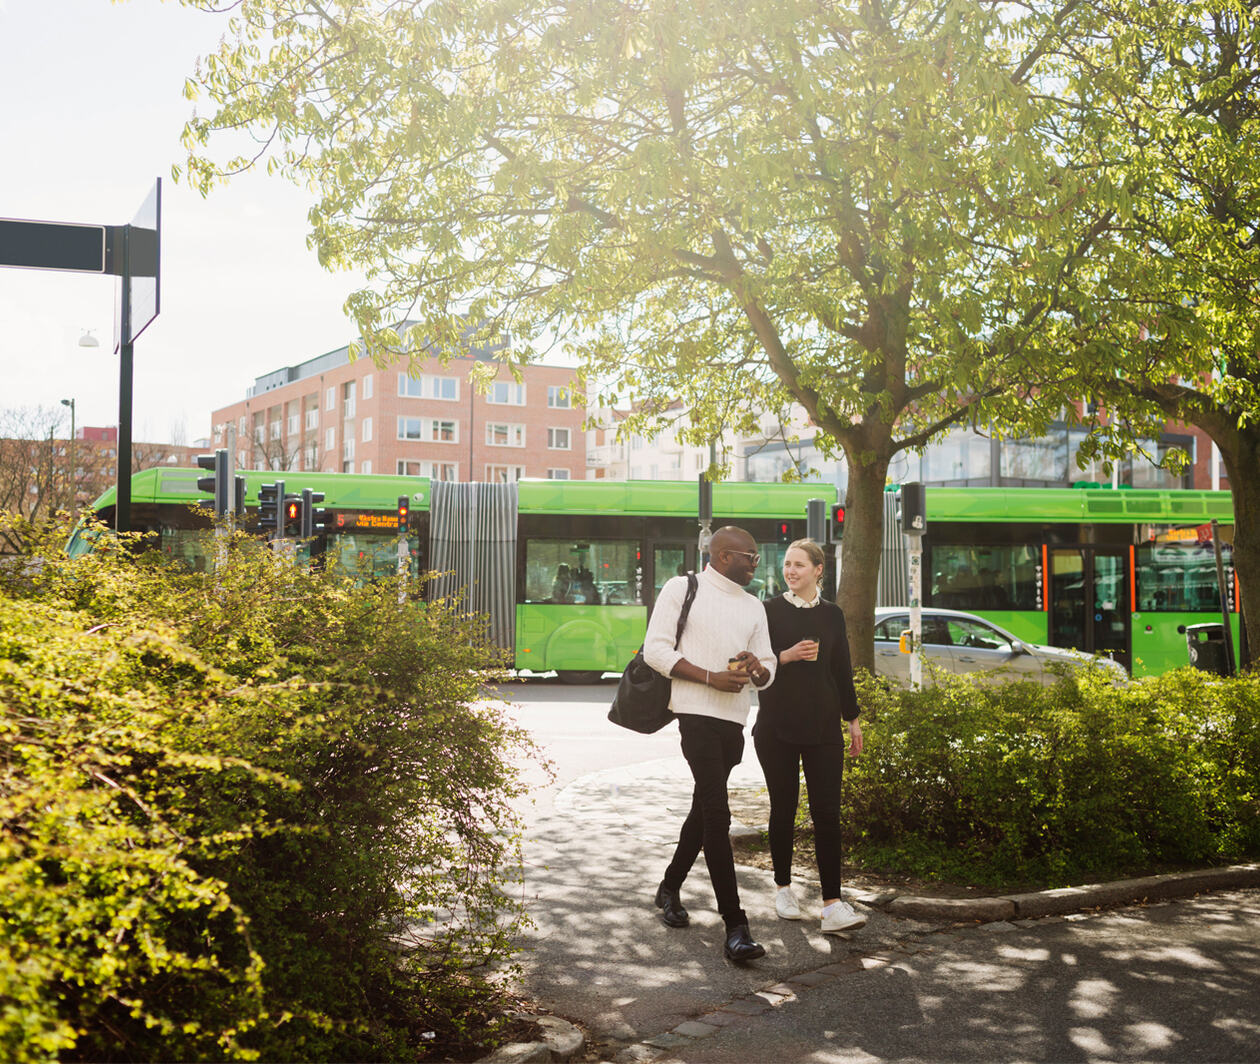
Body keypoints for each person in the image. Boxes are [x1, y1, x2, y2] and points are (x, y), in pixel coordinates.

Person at [643, 526, 777, 962]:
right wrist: (710, 677)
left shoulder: (754, 606)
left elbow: (769, 666)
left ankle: (668, 886)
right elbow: (656, 651)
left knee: (704, 809)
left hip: (734, 720)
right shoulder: (683, 588)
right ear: (722, 556)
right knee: (718, 814)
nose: (755, 564)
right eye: (749, 557)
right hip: (695, 715)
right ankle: (736, 927)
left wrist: (759, 669)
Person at [754, 538, 866, 935]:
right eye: (787, 564)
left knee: (827, 815)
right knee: (783, 809)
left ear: (818, 569)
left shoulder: (833, 615)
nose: (791, 570)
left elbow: (842, 669)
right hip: (776, 728)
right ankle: (783, 889)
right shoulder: (767, 611)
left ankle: (832, 905)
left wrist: (852, 719)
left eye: (799, 564)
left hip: (823, 729)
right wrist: (784, 657)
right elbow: (753, 665)